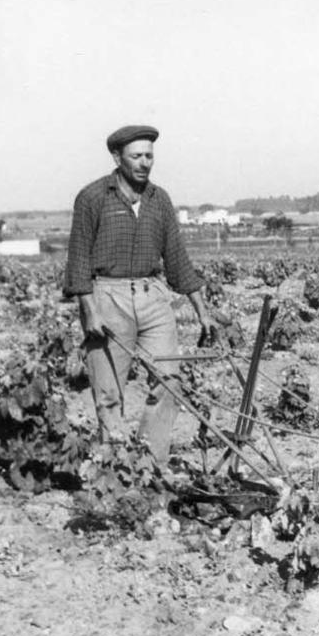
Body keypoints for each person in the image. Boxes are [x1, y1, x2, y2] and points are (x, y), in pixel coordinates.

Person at [63, 125, 217, 465]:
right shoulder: (92, 198)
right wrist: (89, 310)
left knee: (170, 380)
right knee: (108, 392)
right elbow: (78, 258)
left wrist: (202, 311)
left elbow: (177, 258)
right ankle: (117, 470)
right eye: (136, 156)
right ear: (117, 158)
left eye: (149, 155)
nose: (145, 163)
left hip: (152, 295)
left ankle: (150, 466)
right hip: (107, 296)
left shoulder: (159, 199)